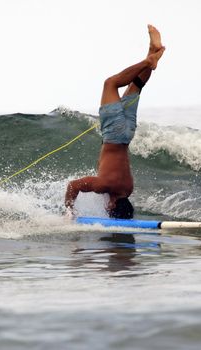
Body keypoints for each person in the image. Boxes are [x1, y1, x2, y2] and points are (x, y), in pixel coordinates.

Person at [65, 24, 165, 219]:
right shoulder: (105, 186)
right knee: (110, 83)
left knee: (136, 85)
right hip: (114, 133)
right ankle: (149, 61)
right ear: (111, 206)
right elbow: (73, 186)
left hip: (127, 134)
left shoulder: (128, 189)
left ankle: (153, 51)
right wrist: (69, 210)